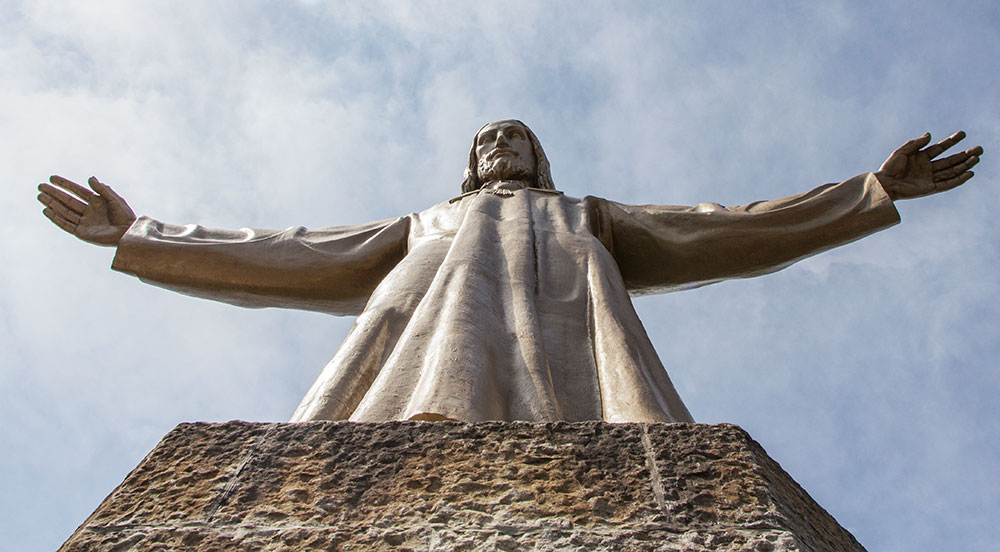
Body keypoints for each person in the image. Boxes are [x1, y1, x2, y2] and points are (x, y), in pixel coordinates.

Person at [37, 121, 982, 423]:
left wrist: (866, 192)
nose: (501, 147)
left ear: (540, 161)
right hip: (419, 342)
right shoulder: (427, 223)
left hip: (574, 355)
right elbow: (287, 251)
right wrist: (144, 234)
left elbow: (725, 228)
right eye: (489, 140)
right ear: (469, 164)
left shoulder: (586, 216)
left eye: (517, 139)